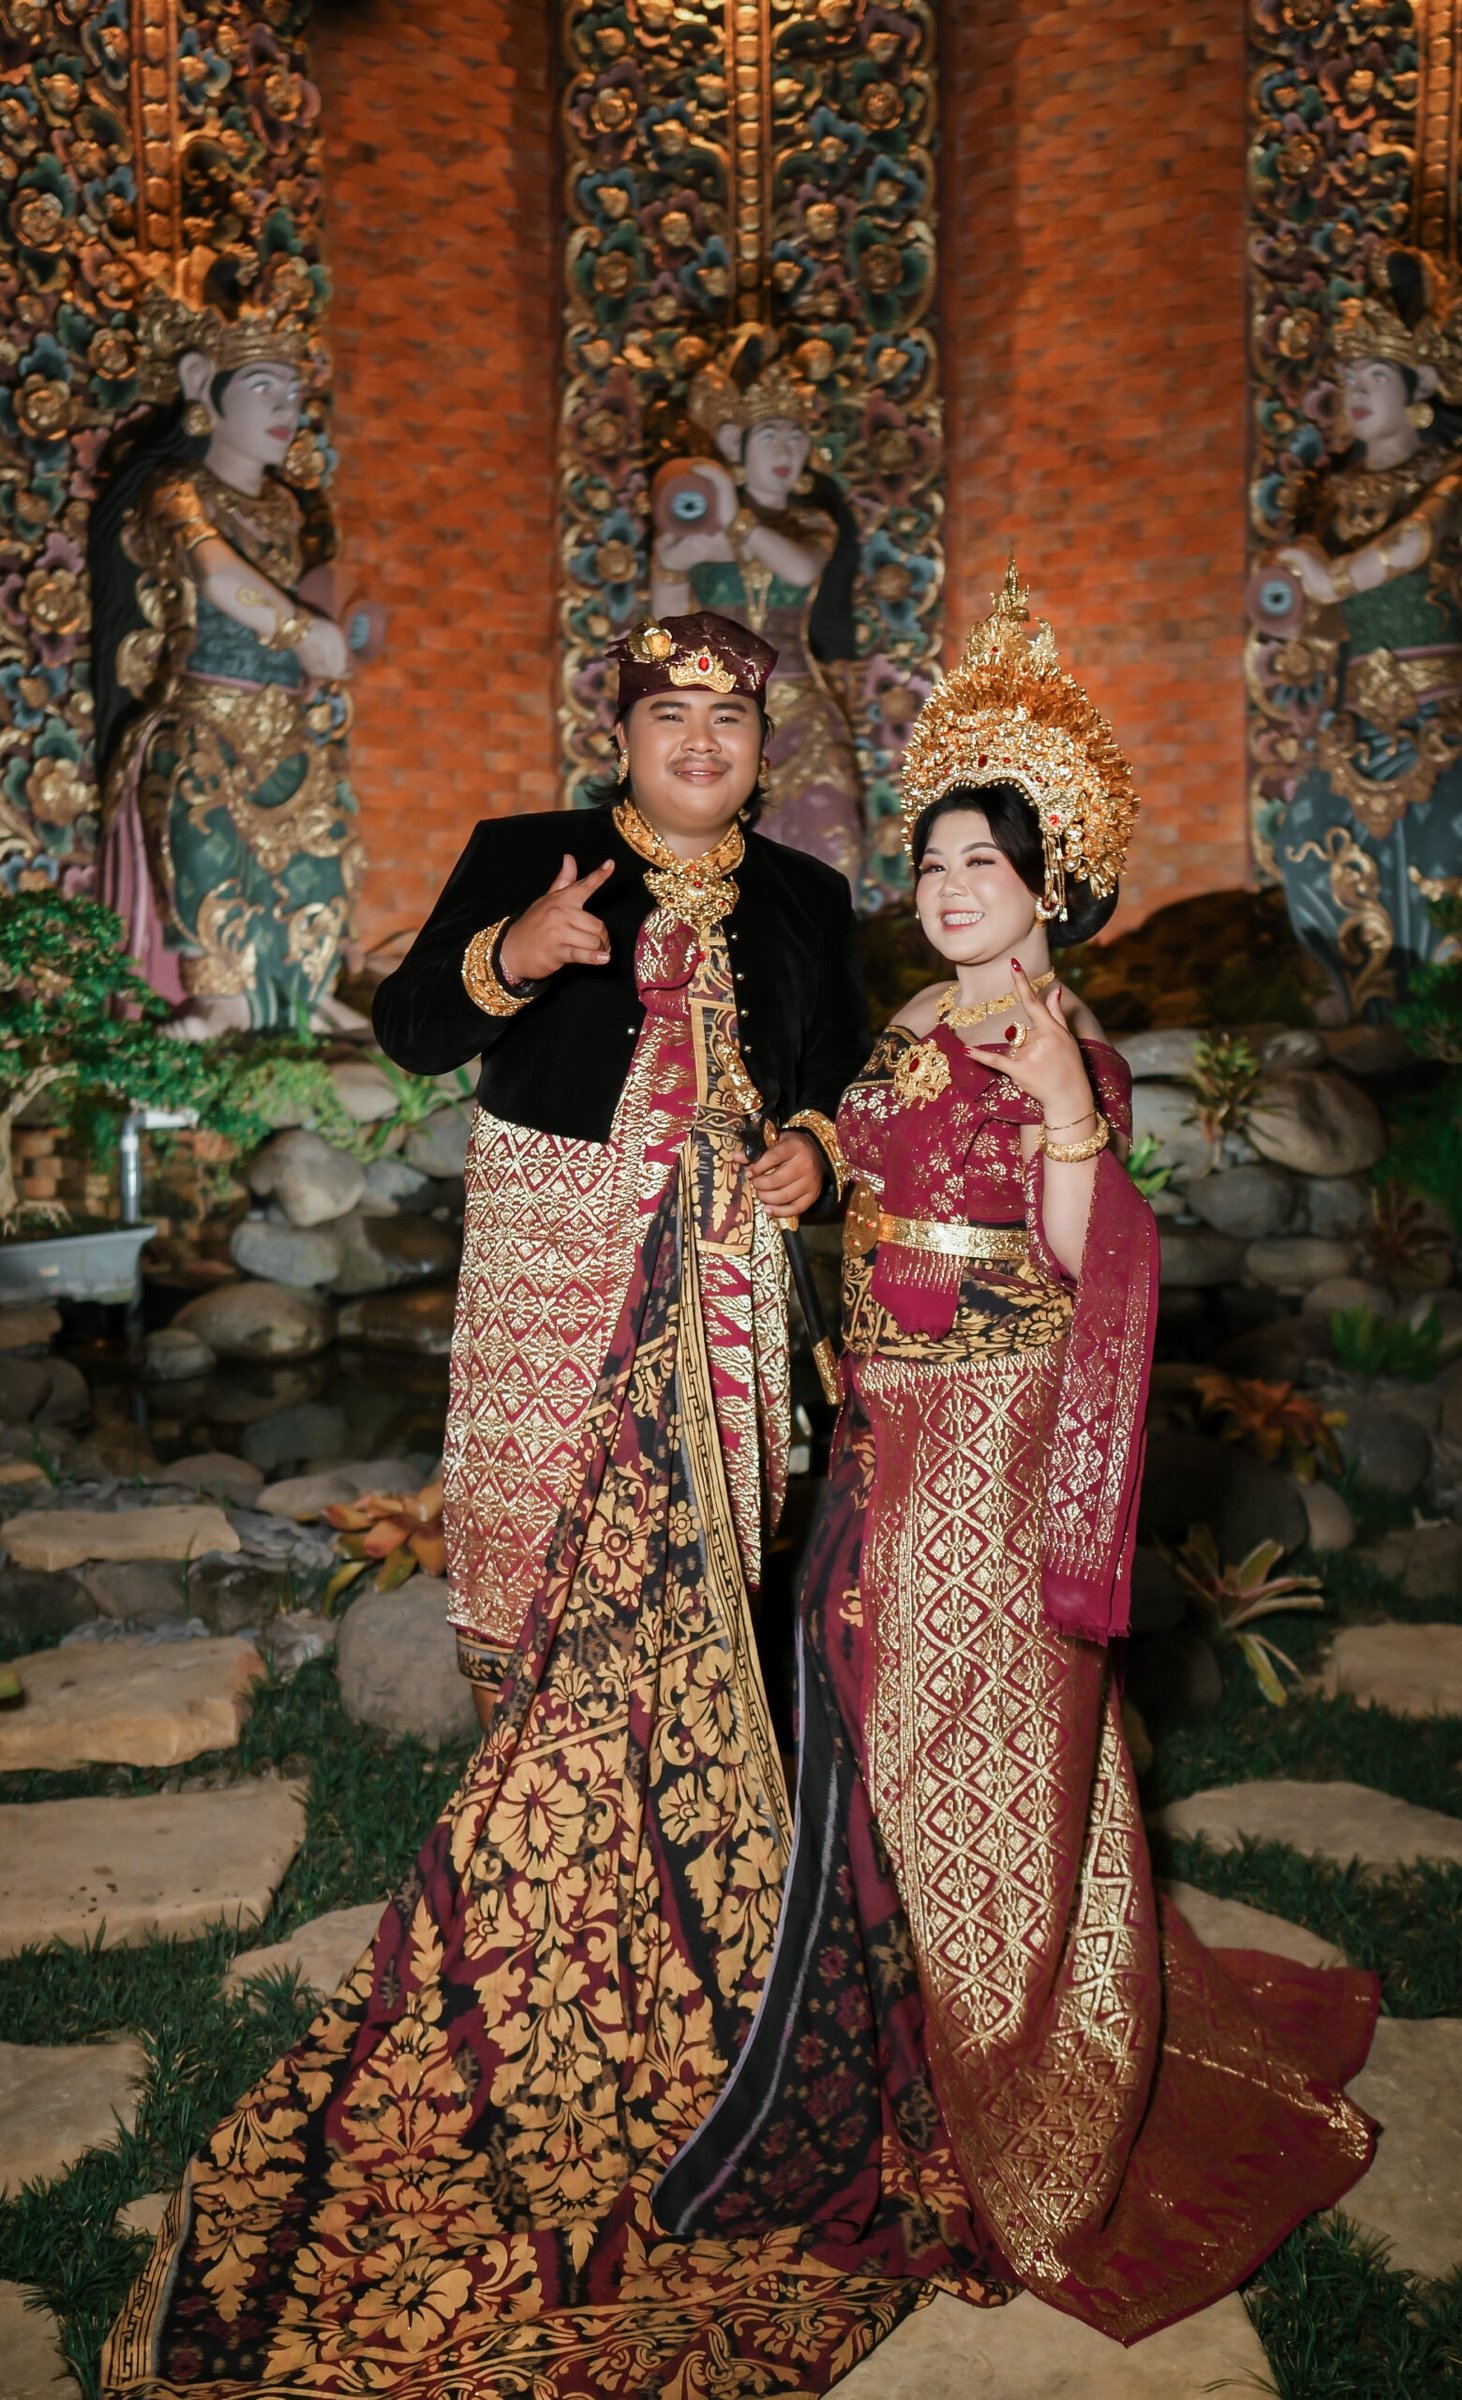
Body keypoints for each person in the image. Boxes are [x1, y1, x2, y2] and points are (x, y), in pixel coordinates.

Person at [101, 612, 922, 2396]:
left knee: (709, 1588)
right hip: (560, 1271)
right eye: (667, 712)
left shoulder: (801, 897)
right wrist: (514, 952)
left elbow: (848, 1078)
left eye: (728, 716)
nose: (698, 740)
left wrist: (816, 1148)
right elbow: (410, 1031)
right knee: (551, 1579)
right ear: (618, 731)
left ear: (761, 742)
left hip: (725, 1290)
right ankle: (545, 1908)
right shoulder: (527, 853)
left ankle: (700, 1913)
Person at [656, 567, 1382, 2345]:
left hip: (987, 1434)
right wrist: (816, 1171)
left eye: (981, 862)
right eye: (931, 863)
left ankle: (1020, 2096)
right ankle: (880, 2052)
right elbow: (876, 1160)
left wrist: (1062, 1108)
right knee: (862, 1711)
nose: (947, 887)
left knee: (975, 1737)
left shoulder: (1071, 1042)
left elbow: (1085, 1253)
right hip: (884, 1418)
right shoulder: (916, 1023)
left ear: (1049, 884)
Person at [89, 283, 365, 1035]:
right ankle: (217, 1000)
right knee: (201, 829)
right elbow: (214, 575)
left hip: (283, 720)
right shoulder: (178, 490)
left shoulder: (286, 509)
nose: (287, 408)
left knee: (324, 845)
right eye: (263, 387)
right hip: (204, 713)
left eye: (295, 393)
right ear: (199, 385)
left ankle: (302, 993)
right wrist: (298, 631)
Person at [1270, 246, 1462, 1020]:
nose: (1356, 391)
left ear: (1420, 387)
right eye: (1349, 377)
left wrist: (1331, 576)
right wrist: (1297, 590)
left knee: (1450, 865)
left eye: (1375, 377)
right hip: (1356, 718)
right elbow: (1314, 612)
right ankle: (1358, 1004)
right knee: (1302, 844)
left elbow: (1416, 541)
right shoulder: (1330, 493)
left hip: (1445, 713)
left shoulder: (1457, 473)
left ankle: (1453, 1021)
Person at [652, 348, 865, 884]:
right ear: (734, 445)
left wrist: (733, 516)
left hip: (803, 710)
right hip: (721, 714)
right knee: (723, 857)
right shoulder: (698, 527)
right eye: (770, 436)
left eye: (795, 436)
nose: (786, 450)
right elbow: (667, 630)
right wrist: (670, 566)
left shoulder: (812, 523)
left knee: (834, 840)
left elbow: (799, 568)